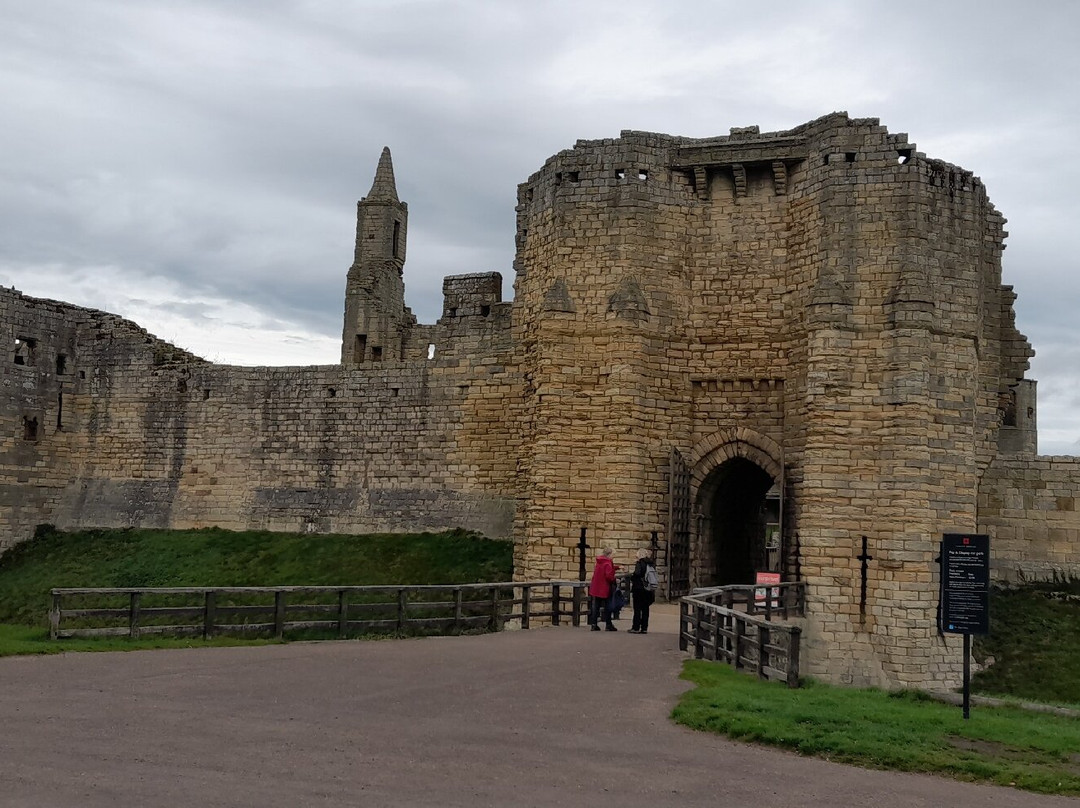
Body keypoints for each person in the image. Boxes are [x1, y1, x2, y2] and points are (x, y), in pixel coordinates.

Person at [588, 547, 618, 632]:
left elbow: (605, 569)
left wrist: (617, 567)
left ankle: (593, 624)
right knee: (608, 606)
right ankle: (608, 624)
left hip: (596, 587)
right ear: (609, 554)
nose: (614, 556)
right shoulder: (608, 563)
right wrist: (614, 579)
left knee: (596, 606)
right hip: (605, 587)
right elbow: (608, 575)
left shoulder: (600, 561)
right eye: (613, 554)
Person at [628, 548, 656, 634]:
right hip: (648, 589)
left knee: (637, 609)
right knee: (645, 609)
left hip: (639, 588)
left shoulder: (640, 563)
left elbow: (637, 573)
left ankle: (636, 627)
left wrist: (632, 577)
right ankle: (644, 628)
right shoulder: (651, 564)